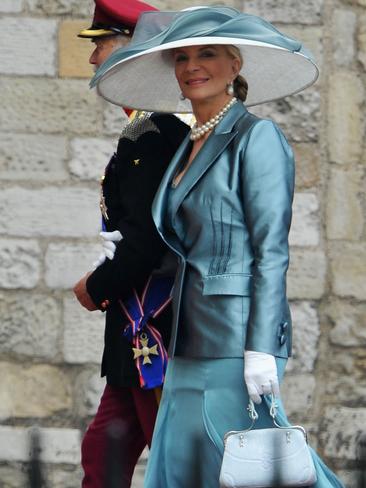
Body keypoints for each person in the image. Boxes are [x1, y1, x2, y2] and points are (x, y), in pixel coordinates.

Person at [92, 6, 345, 488]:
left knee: (256, 471)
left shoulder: (258, 137)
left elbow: (270, 250)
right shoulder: (187, 142)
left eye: (206, 54)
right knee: (178, 470)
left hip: (235, 339)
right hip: (183, 337)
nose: (192, 67)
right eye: (182, 58)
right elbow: (184, 244)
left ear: (235, 65)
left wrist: (261, 348)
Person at [73, 1, 189, 486]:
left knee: (171, 463)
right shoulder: (143, 131)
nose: (93, 60)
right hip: (133, 333)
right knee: (103, 455)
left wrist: (95, 286)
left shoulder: (151, 134)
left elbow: (146, 239)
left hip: (151, 330)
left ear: (131, 54)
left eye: (100, 45)